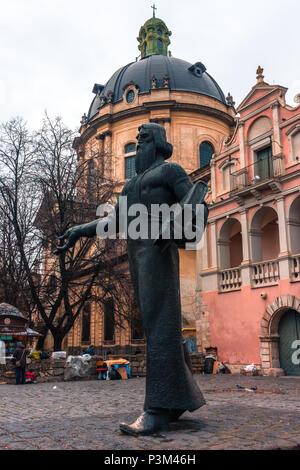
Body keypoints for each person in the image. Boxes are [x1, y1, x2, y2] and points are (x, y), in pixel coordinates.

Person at [54, 123, 208, 435]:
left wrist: (182, 228)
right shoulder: (131, 186)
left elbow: (196, 203)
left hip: (159, 249)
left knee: (160, 324)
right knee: (157, 325)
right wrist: (78, 230)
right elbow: (113, 221)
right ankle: (177, 399)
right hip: (138, 253)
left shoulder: (170, 171)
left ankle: (156, 410)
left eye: (145, 139)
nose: (139, 145)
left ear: (159, 143)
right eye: (137, 140)